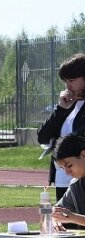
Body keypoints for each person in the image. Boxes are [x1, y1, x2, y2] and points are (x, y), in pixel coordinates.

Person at [38, 53, 85, 201]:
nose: (67, 86)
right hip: (63, 178)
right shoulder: (68, 105)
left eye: (72, 80)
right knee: (62, 221)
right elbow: (42, 137)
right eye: (65, 81)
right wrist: (61, 109)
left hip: (81, 178)